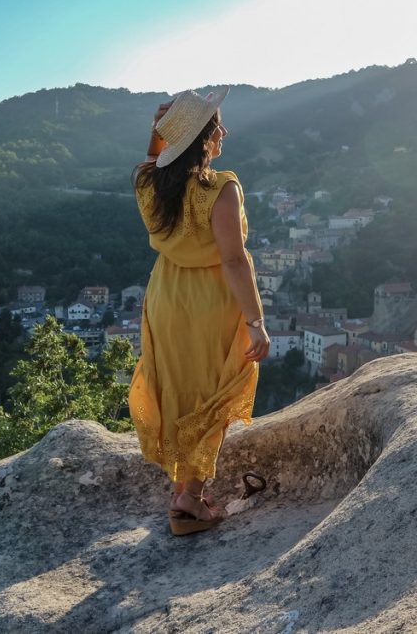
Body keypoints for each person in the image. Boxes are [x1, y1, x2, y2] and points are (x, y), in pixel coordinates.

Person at [128, 86, 270, 536]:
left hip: (166, 296)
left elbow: (152, 159)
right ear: (204, 138)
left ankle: (183, 491)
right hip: (211, 302)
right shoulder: (221, 188)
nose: (222, 131)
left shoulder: (149, 184)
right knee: (214, 393)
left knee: (178, 387)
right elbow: (233, 259)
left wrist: (158, 132)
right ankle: (190, 500)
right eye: (216, 126)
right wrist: (256, 321)